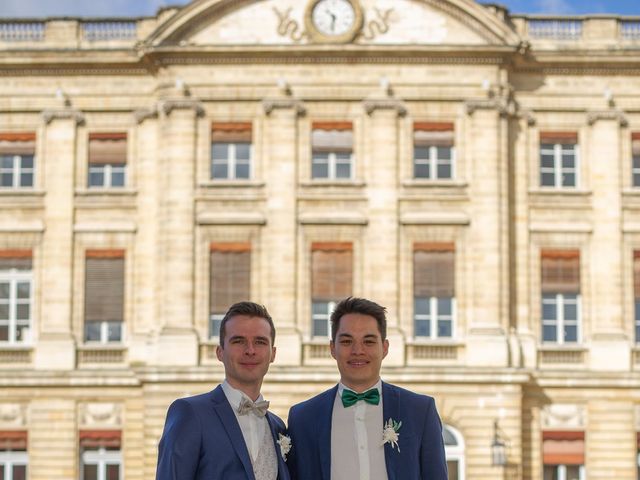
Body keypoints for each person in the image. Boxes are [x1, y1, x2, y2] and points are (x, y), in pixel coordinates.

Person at [287, 297, 448, 480]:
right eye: (347, 342)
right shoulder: (302, 417)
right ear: (333, 348)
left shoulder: (420, 411)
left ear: (385, 348)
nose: (358, 350)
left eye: (369, 341)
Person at [156, 301, 290, 480]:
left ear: (273, 354)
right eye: (238, 341)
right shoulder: (190, 413)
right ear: (220, 352)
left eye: (260, 342)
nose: (250, 350)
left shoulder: (277, 426)